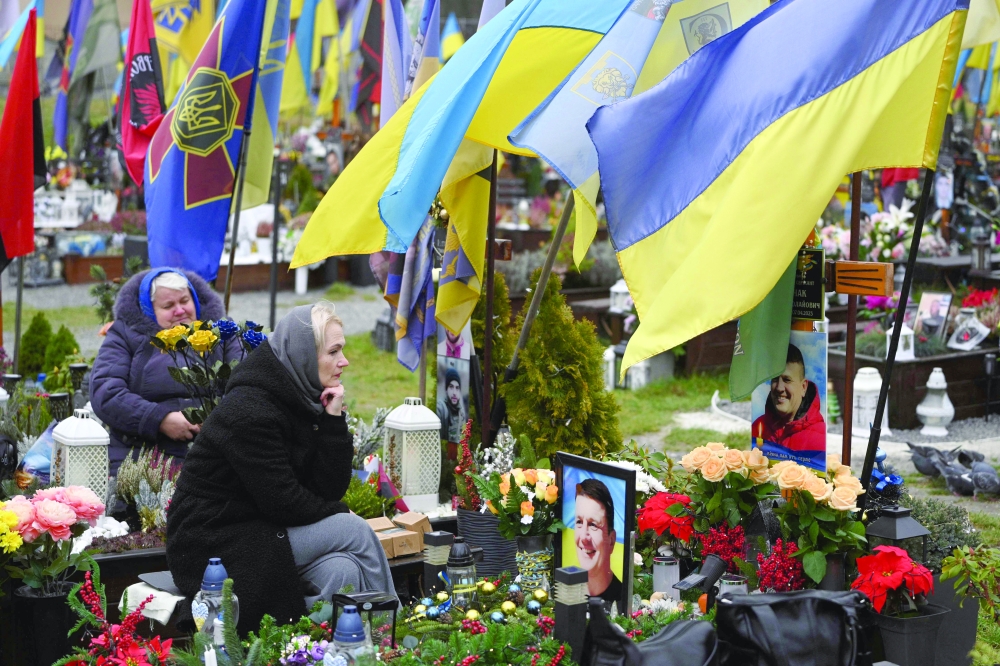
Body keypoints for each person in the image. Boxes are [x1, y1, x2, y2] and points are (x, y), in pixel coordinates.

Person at [166, 302, 395, 634]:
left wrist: (332, 420)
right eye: (333, 352)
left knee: (340, 569)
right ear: (303, 354)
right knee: (354, 531)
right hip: (214, 541)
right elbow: (284, 502)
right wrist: (340, 514)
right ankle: (393, 639)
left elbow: (326, 489)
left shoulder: (301, 395)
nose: (344, 361)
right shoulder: (250, 410)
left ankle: (325, 649)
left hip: (262, 524)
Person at [90, 268, 233, 476]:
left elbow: (248, 384)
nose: (180, 310)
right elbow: (106, 392)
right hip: (145, 455)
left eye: (185, 301)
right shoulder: (125, 335)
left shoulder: (224, 332)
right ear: (149, 310)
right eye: (168, 306)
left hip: (216, 452)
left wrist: (215, 418)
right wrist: (159, 419)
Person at [751, 344, 826, 452]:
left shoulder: (819, 439)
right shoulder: (758, 427)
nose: (779, 388)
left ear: (803, 387)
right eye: (775, 379)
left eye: (787, 380)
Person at [574, 478, 621, 607]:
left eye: (593, 525)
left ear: (611, 540)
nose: (584, 537)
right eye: (579, 522)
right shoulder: (566, 592)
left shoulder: (621, 602)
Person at [436, 365, 467, 442]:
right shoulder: (441, 408)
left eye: (457, 388)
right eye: (451, 387)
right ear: (446, 390)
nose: (454, 393)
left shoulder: (461, 412)